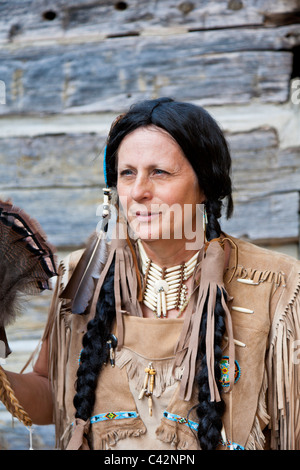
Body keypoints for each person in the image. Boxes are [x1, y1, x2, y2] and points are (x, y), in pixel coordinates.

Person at [1, 97, 300, 451]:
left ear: (205, 183)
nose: (139, 192)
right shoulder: (85, 274)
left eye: (160, 172)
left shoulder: (277, 286)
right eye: (127, 173)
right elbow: (53, 393)